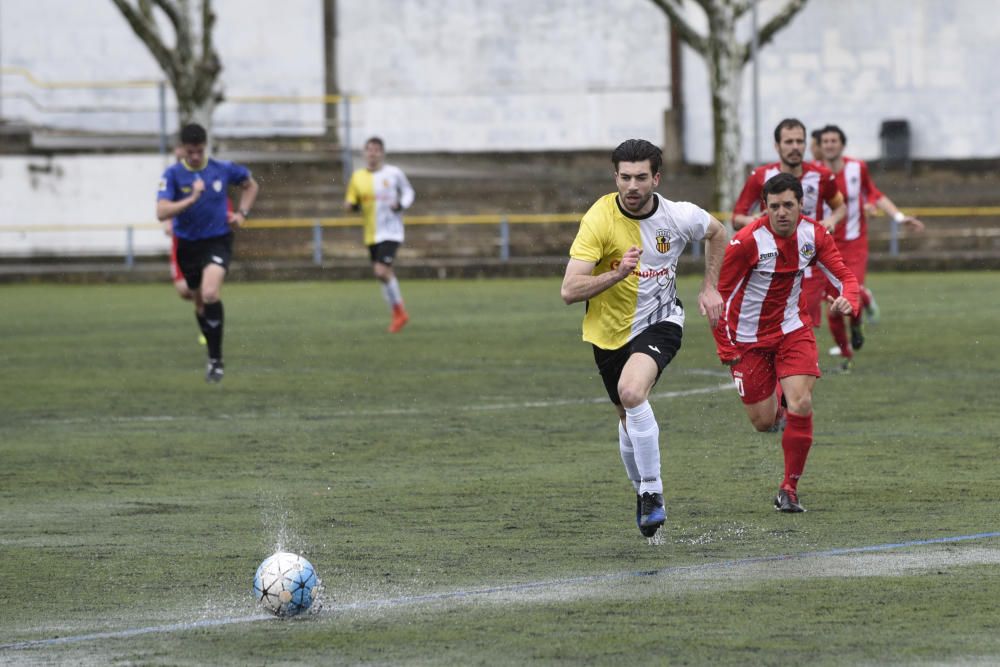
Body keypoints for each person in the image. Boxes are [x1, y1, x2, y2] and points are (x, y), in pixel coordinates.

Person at [561, 139, 727, 538]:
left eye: (640, 177)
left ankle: (652, 492)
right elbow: (569, 290)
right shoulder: (598, 219)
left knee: (633, 393)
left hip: (661, 321)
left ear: (656, 178)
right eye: (624, 177)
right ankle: (641, 494)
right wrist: (616, 274)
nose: (632, 186)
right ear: (614, 177)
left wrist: (711, 287)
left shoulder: (678, 216)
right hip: (606, 332)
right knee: (625, 414)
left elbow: (718, 232)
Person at [714, 173, 859, 512]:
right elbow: (719, 296)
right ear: (764, 207)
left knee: (802, 403)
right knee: (764, 422)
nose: (782, 212)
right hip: (748, 340)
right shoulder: (747, 241)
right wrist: (724, 345)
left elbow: (845, 277)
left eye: (788, 205)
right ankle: (777, 400)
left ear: (801, 205)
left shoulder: (815, 233)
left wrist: (849, 298)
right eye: (774, 206)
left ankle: (789, 488)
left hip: (793, 330)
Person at [732, 119, 849, 353]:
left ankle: (792, 374)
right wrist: (757, 221)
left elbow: (840, 207)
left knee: (799, 323)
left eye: (800, 141)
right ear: (777, 146)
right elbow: (737, 217)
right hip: (769, 263)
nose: (795, 146)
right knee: (774, 322)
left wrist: (832, 221)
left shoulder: (822, 176)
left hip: (807, 263)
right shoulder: (761, 176)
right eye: (789, 141)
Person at [156, 122, 259, 382]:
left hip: (218, 240)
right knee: (197, 299)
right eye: (190, 152)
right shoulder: (172, 175)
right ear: (183, 150)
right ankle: (212, 352)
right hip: (188, 245)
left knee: (211, 292)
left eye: (199, 151)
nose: (195, 157)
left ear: (205, 147)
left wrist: (242, 213)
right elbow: (161, 212)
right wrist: (190, 199)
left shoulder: (222, 169)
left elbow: (251, 185)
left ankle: (216, 360)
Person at [817, 124, 925, 365]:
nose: (830, 145)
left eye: (834, 140)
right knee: (832, 307)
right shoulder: (814, 174)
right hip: (825, 247)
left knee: (849, 296)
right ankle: (846, 355)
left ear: (842, 145)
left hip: (855, 243)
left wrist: (898, 217)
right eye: (826, 141)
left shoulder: (858, 168)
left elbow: (875, 195)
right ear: (820, 146)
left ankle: (857, 320)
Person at [344, 137, 416, 333]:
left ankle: (399, 312)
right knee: (383, 275)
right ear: (364, 153)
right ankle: (399, 313)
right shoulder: (357, 177)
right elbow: (352, 201)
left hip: (392, 231)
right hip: (371, 234)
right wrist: (350, 206)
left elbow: (409, 192)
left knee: (381, 271)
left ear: (382, 153)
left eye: (376, 150)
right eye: (369, 150)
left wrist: (401, 205)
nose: (373, 153)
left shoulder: (393, 173)